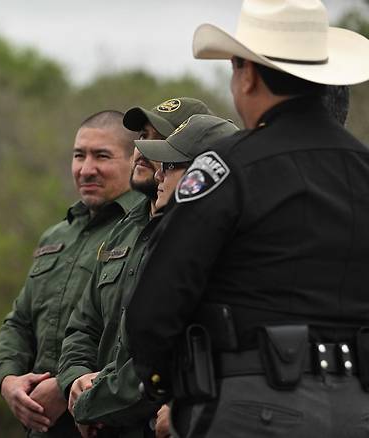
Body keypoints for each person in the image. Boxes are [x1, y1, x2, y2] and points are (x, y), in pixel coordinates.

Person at [125, 1, 369, 437]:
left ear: (248, 74)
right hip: (359, 409)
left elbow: (155, 307)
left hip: (254, 410)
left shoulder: (226, 166)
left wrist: (172, 390)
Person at [62, 114, 237, 438]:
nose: (158, 175)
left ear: (203, 175)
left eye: (170, 166)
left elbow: (157, 360)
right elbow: (83, 325)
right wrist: (76, 380)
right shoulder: (131, 231)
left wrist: (90, 401)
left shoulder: (214, 251)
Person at [0, 110, 143, 437]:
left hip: (106, 421)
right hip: (40, 422)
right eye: (79, 155)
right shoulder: (56, 236)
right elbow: (18, 321)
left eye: (101, 156)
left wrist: (68, 387)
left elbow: (142, 337)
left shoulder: (145, 230)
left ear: (135, 160)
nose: (86, 169)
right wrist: (9, 380)